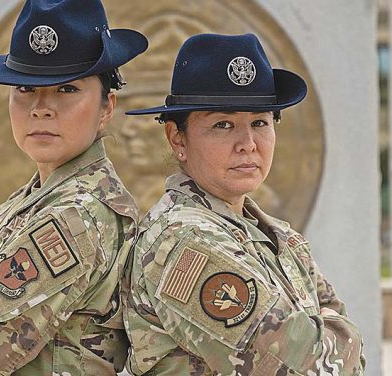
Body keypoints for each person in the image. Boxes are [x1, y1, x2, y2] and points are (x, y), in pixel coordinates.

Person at [0, 0, 147, 374]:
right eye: (25, 87)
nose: (41, 108)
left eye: (66, 90)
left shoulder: (76, 215)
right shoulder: (32, 198)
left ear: (106, 108)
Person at [123, 33, 365, 375]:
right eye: (223, 124)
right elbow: (306, 366)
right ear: (178, 138)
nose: (248, 144)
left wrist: (328, 338)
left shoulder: (278, 236)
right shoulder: (185, 241)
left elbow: (338, 353)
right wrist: (336, 336)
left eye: (260, 123)